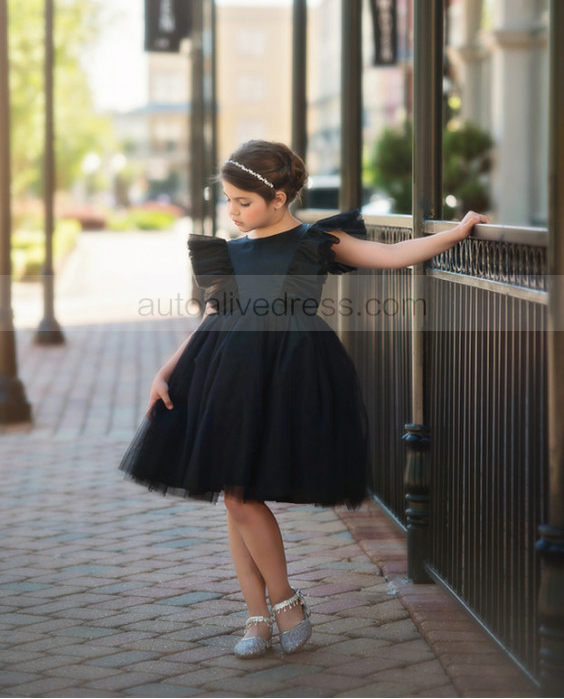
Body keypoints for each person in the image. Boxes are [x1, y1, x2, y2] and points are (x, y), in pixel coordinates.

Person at [119, 139, 489, 660]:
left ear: (278, 197)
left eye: (242, 202)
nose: (233, 211)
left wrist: (457, 230)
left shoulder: (318, 240)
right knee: (234, 493)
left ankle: (282, 600)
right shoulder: (227, 251)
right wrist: (166, 368)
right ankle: (259, 613)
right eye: (228, 200)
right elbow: (213, 315)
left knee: (239, 495)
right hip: (224, 372)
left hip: (288, 374)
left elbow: (390, 254)